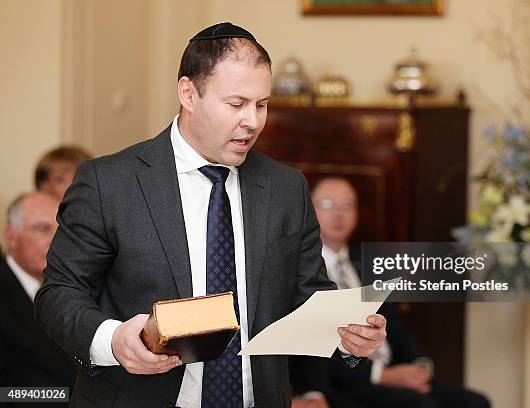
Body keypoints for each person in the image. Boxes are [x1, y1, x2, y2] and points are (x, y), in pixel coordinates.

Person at [34, 22, 387, 408]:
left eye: (262, 104)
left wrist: (352, 338)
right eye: (236, 104)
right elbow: (59, 293)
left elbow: (310, 300)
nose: (252, 121)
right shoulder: (110, 183)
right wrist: (112, 341)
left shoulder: (286, 188)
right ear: (188, 93)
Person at [306, 177, 490, 408]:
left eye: (347, 206)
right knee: (422, 406)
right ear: (310, 211)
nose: (338, 215)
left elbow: (395, 327)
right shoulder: (304, 271)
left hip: (393, 370)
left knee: (475, 403)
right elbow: (314, 349)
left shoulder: (365, 265)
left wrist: (419, 364)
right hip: (347, 381)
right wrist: (382, 375)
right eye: (328, 205)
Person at [0, 192, 76, 406]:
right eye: (43, 229)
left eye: (61, 230)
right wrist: (66, 396)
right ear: (11, 236)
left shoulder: (77, 288)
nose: (56, 242)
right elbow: (4, 393)